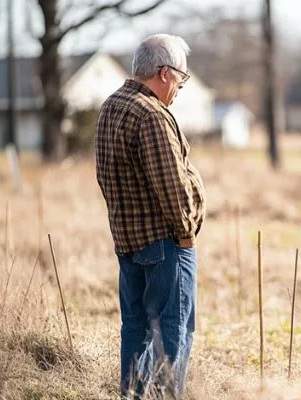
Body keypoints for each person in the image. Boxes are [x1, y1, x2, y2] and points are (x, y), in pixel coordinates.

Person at [95, 33, 205, 399]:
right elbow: (172, 188)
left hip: (128, 243)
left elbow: (105, 178)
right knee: (172, 330)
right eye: (182, 79)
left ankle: (133, 395)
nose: (181, 87)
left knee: (137, 329)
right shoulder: (152, 115)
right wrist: (186, 233)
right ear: (164, 72)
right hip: (164, 244)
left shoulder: (111, 106)